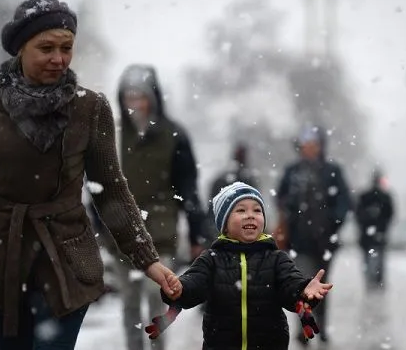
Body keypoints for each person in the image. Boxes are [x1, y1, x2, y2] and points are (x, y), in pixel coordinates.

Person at [0, 0, 180, 349]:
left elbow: (110, 190)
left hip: (64, 265)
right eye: (46, 48)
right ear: (20, 47)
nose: (59, 58)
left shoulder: (89, 107)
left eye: (66, 47)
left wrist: (149, 261)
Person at [152, 182, 333, 350]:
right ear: (224, 225)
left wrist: (304, 290)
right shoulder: (211, 259)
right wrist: (180, 289)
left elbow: (290, 285)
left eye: (257, 210)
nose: (250, 215)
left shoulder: (277, 259)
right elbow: (194, 284)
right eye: (240, 210)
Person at [107, 63, 207, 350]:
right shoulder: (111, 136)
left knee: (157, 298)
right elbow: (96, 185)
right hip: (121, 234)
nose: (135, 104)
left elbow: (188, 189)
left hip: (160, 232)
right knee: (128, 303)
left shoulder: (174, 135)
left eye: (140, 96)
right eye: (129, 97)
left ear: (153, 98)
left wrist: (197, 233)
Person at [276, 124, 351, 343]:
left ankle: (322, 325)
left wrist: (332, 223)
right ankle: (305, 328)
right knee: (302, 284)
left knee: (322, 286)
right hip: (298, 241)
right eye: (305, 143)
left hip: (324, 243)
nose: (309, 147)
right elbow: (280, 198)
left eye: (313, 143)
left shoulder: (332, 171)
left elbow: (344, 202)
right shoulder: (292, 172)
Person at [355, 169, 394, 289]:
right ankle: (376, 280)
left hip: (372, 234)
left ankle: (373, 280)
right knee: (377, 260)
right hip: (375, 234)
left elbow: (358, 214)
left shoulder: (368, 196)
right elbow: (389, 214)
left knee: (373, 259)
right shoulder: (384, 197)